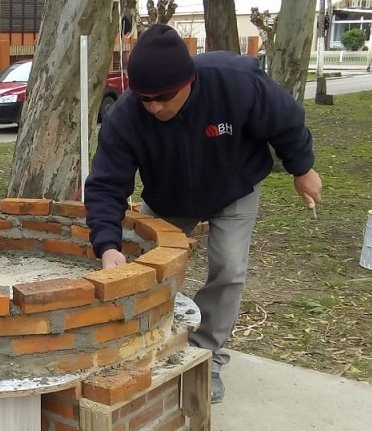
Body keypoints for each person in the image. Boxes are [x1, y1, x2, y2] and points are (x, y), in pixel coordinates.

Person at [85, 25, 322, 403]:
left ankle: (207, 355)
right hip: (169, 198)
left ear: (189, 81)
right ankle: (150, 345)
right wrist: (107, 245)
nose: (156, 107)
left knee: (228, 268)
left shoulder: (236, 81)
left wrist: (302, 169)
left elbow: (286, 120)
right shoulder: (126, 117)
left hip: (234, 187)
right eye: (146, 99)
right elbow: (106, 185)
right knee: (147, 268)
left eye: (165, 97)